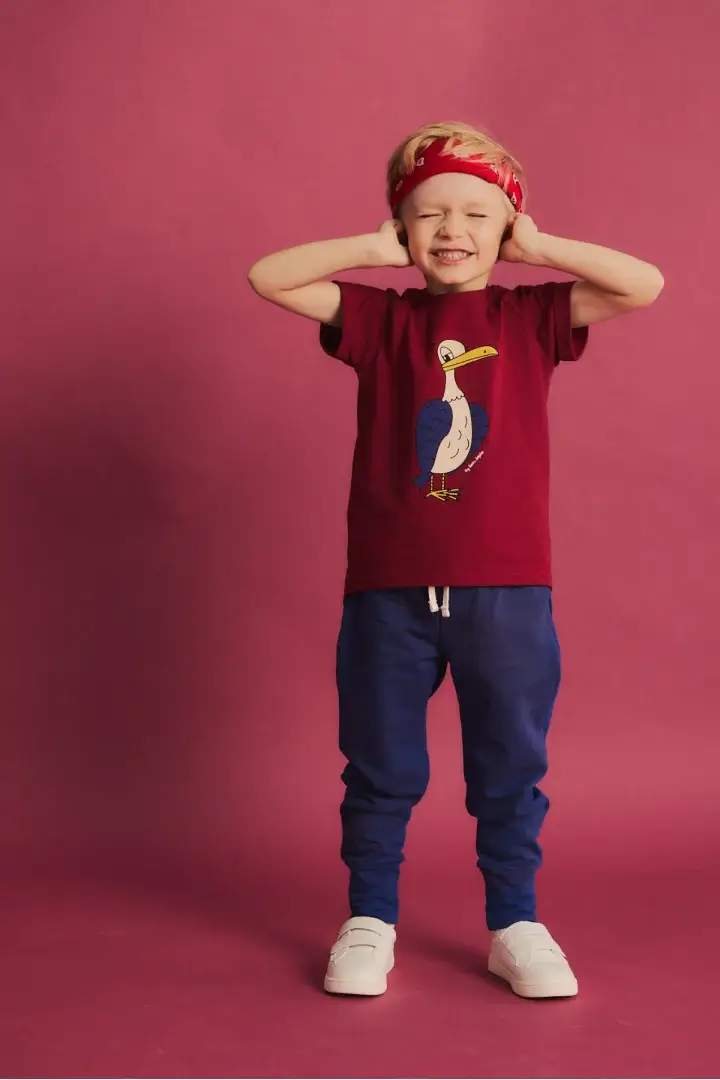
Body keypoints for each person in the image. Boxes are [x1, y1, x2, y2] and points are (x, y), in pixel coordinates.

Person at [248, 121, 663, 999]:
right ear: (402, 225)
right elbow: (267, 277)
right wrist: (371, 251)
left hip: (508, 592)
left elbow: (644, 284)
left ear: (507, 226)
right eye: (429, 212)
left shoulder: (532, 315)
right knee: (379, 765)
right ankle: (369, 919)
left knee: (510, 767)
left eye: (477, 213)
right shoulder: (378, 319)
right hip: (386, 592)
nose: (452, 229)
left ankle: (515, 922)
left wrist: (539, 248)